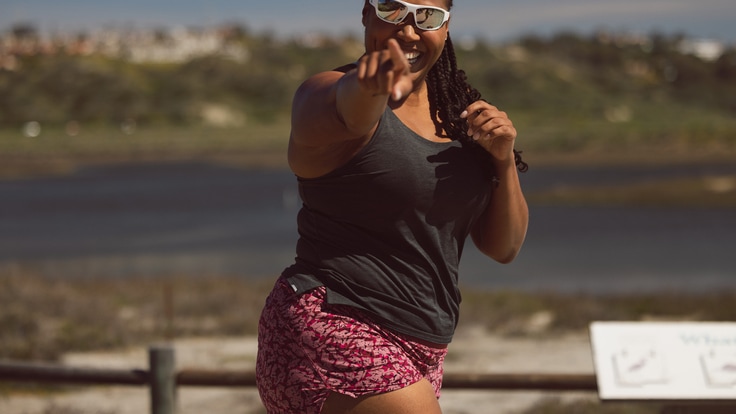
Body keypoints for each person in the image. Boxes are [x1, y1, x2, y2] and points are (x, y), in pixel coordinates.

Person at [256, 0, 529, 412]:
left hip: (424, 345)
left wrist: (502, 159)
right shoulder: (325, 92)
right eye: (392, 9)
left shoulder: (458, 119)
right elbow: (350, 114)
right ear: (366, 14)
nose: (408, 29)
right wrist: (372, 86)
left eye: (428, 16)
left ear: (447, 28)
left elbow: (503, 247)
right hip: (332, 322)